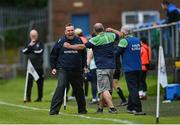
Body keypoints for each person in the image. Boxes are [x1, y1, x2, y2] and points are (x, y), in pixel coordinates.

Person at [64, 23, 118, 114]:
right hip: (112, 67)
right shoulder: (111, 36)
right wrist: (112, 29)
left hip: (101, 67)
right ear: (103, 29)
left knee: (104, 89)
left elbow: (82, 47)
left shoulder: (94, 40)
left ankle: (112, 108)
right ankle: (100, 108)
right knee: (103, 89)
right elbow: (121, 34)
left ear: (94, 30)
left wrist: (69, 46)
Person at [49, 23, 87, 115]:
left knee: (79, 90)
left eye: (72, 30)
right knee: (61, 87)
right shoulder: (60, 41)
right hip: (63, 69)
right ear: (65, 32)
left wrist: (84, 66)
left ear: (74, 31)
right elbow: (53, 55)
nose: (70, 32)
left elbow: (84, 54)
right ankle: (54, 110)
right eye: (68, 30)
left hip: (77, 70)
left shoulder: (79, 40)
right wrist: (53, 67)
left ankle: (82, 110)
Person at [108, 25, 145, 115]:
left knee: (132, 89)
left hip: (129, 68)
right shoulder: (137, 40)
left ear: (124, 32)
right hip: (138, 68)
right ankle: (130, 107)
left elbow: (116, 53)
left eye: (121, 31)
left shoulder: (124, 41)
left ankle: (138, 109)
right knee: (134, 87)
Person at [22, 29, 44, 103]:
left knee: (40, 82)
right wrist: (30, 46)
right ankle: (28, 97)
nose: (34, 36)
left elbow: (40, 51)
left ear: (37, 35)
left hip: (39, 67)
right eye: (32, 35)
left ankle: (40, 97)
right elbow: (24, 51)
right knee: (29, 82)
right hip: (30, 68)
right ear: (30, 36)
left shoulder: (40, 43)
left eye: (35, 35)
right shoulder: (28, 43)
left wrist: (31, 50)